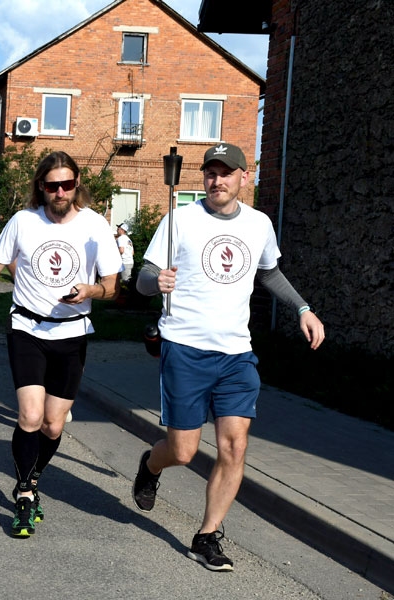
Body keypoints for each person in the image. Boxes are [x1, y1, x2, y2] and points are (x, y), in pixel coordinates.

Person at [131, 143, 325, 572]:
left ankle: (207, 535)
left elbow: (269, 272)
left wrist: (303, 309)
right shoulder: (180, 220)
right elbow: (143, 276)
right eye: (210, 173)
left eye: (225, 173)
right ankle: (150, 464)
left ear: (243, 177)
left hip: (237, 354)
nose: (216, 181)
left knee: (233, 447)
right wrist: (154, 281)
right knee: (183, 451)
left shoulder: (258, 224)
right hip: (184, 347)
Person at [0, 151, 122, 537]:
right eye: (52, 185)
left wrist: (91, 289)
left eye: (67, 184)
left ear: (77, 184)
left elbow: (113, 288)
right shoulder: (23, 221)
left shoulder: (95, 226)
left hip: (72, 333)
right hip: (27, 329)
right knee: (31, 417)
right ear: (41, 186)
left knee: (53, 426)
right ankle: (24, 492)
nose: (60, 192)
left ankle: (33, 477)